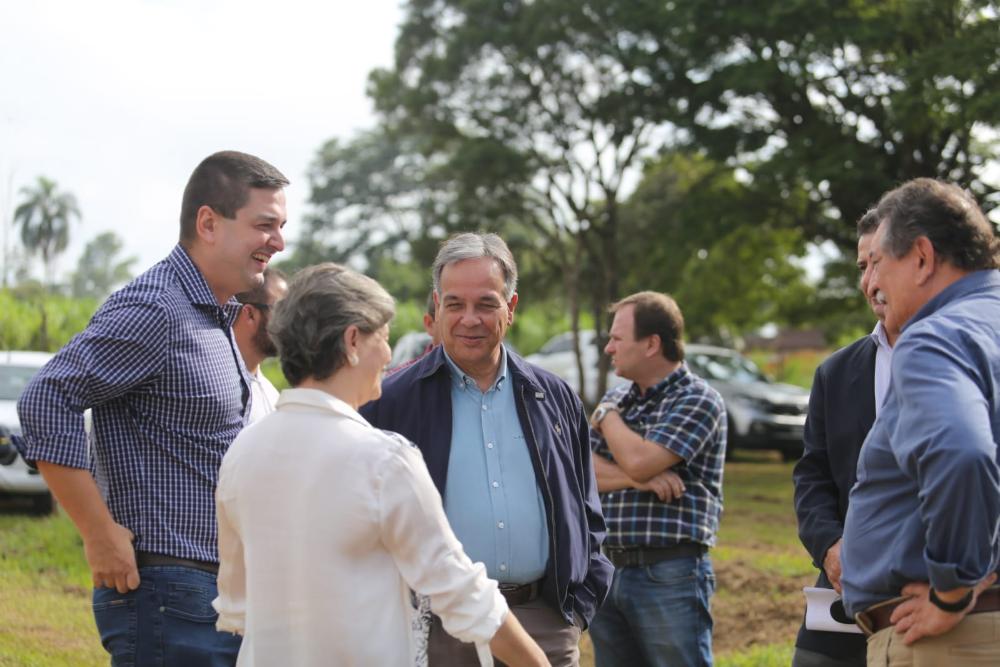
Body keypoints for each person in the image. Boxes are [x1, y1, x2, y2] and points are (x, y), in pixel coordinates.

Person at [16, 150, 288, 666]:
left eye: (281, 226)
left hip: (213, 593)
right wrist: (99, 534)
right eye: (265, 225)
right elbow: (47, 399)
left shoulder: (214, 316)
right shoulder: (157, 308)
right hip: (167, 591)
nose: (277, 241)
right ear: (208, 223)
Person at [212, 263, 548, 667]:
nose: (389, 356)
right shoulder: (383, 460)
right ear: (353, 340)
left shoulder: (242, 453)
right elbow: (461, 594)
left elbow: (235, 606)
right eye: (384, 338)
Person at [361, 232, 613, 667]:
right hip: (439, 627)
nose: (469, 319)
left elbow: (586, 507)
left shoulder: (555, 397)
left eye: (486, 304)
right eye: (455, 304)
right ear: (436, 310)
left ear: (510, 308)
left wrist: (577, 608)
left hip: (542, 625)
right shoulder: (389, 402)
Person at [840, 178, 1000, 665]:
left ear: (923, 257)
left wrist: (953, 586)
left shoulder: (935, 337)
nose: (870, 284)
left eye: (878, 265)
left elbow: (961, 452)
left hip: (953, 639)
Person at [587, 291, 726, 667]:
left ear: (651, 344)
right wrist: (637, 481)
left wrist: (605, 417)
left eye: (617, 338)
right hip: (607, 570)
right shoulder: (619, 397)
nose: (608, 348)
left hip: (670, 574)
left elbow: (639, 459)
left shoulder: (699, 400)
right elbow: (580, 472)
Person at [791, 209, 900, 667]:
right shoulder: (835, 372)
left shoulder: (972, 355)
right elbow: (811, 474)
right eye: (861, 267)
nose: (869, 280)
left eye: (879, 263)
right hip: (842, 590)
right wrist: (831, 550)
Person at [233, 267, 288, 422]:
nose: (290, 320)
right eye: (281, 309)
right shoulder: (220, 392)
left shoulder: (270, 393)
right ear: (250, 314)